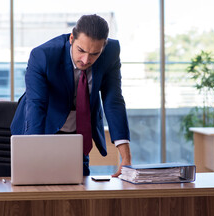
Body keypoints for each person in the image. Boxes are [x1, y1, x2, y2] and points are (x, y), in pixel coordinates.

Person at [10, 14, 131, 176]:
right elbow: (36, 104)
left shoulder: (110, 53)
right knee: (35, 182)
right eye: (81, 50)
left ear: (104, 46)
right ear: (72, 39)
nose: (86, 60)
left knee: (80, 187)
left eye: (94, 54)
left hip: (78, 135)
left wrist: (126, 158)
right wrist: (33, 152)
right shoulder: (43, 55)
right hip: (42, 129)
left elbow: (113, 101)